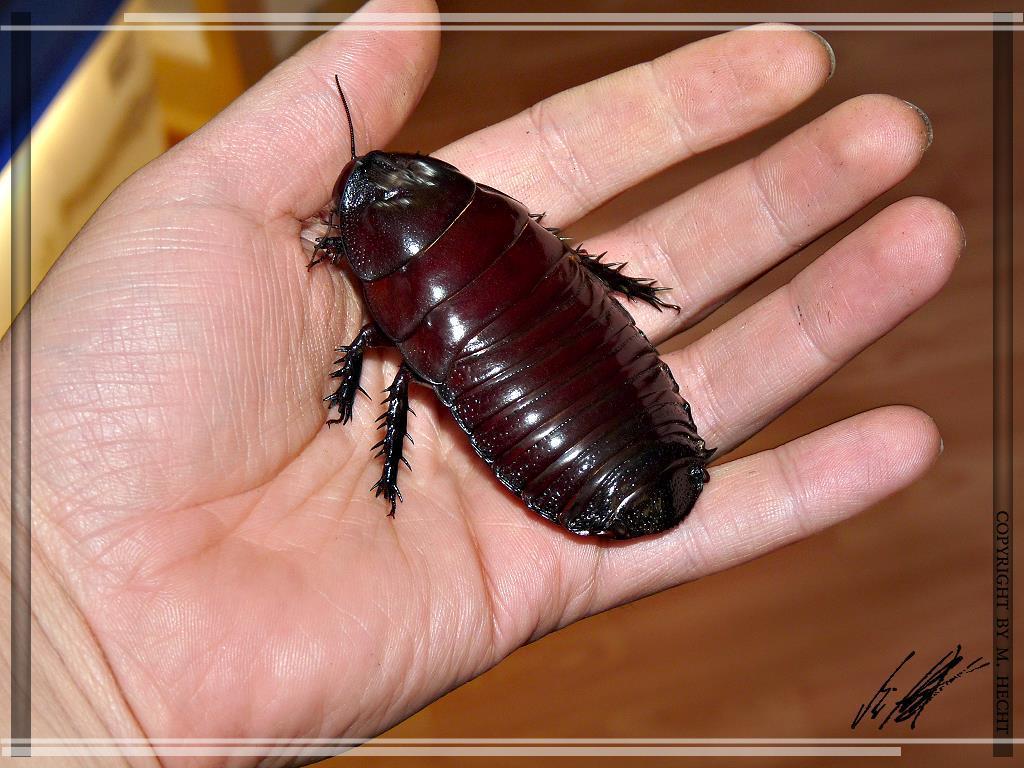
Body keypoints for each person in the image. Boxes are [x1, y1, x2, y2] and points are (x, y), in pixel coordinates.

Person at [2, 1, 962, 763]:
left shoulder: (403, 291)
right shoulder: (441, 270)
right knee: (445, 351)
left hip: (586, 405)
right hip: (567, 389)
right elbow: (505, 291)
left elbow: (441, 331)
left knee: (429, 361)